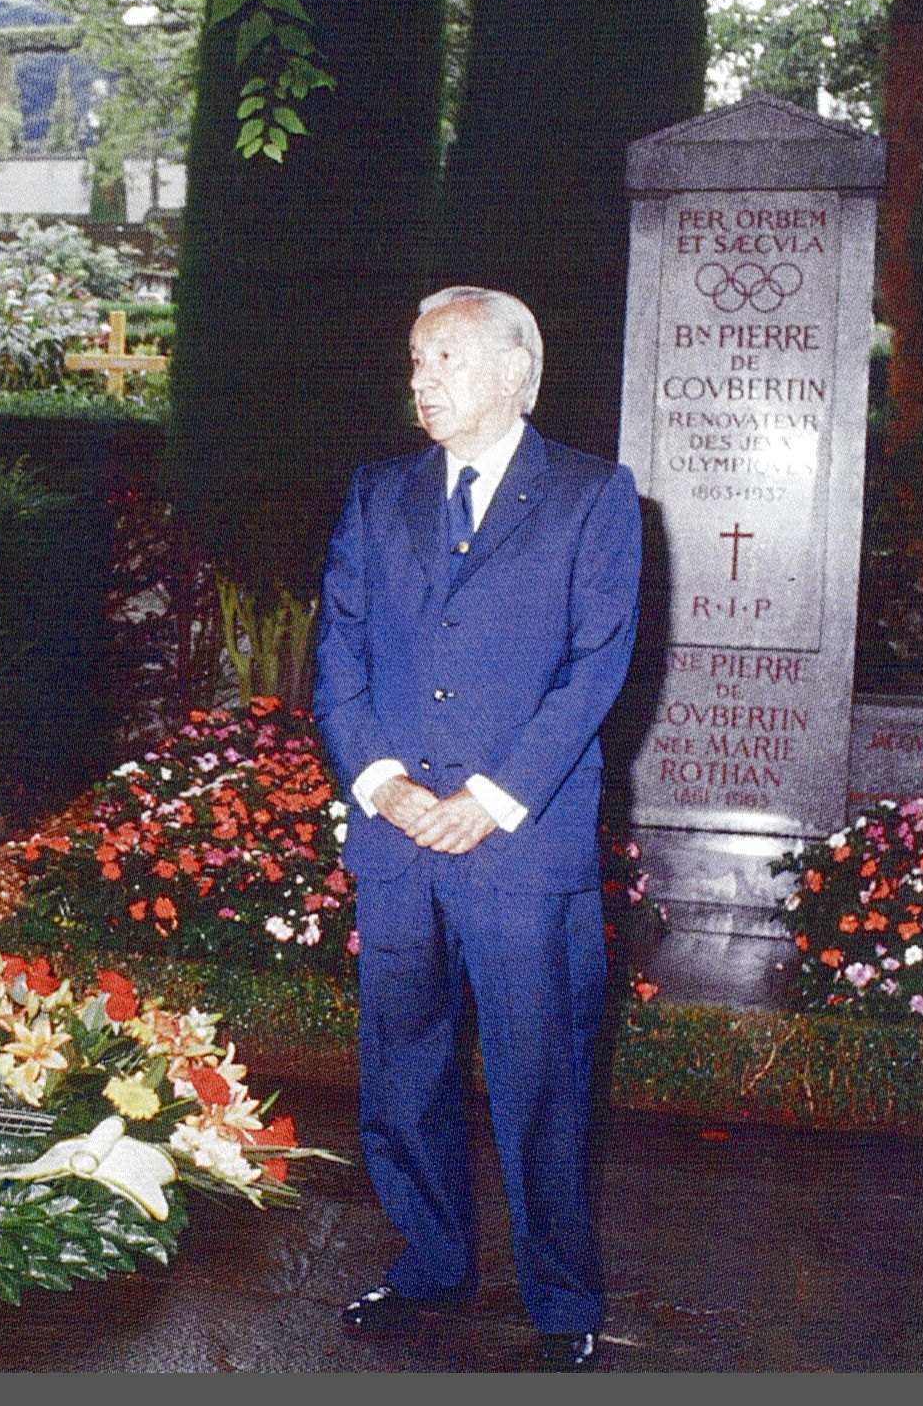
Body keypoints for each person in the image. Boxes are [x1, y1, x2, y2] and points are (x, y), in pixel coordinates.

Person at [312, 286, 641, 1371]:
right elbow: (338, 661)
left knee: (540, 1073)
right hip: (398, 841)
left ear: (515, 371)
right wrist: (382, 784)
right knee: (399, 1065)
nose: (420, 379)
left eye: (444, 358)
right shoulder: (374, 497)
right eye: (414, 360)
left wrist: (490, 800)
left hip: (518, 845)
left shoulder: (594, 499)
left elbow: (594, 670)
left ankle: (558, 1296)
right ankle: (428, 1260)